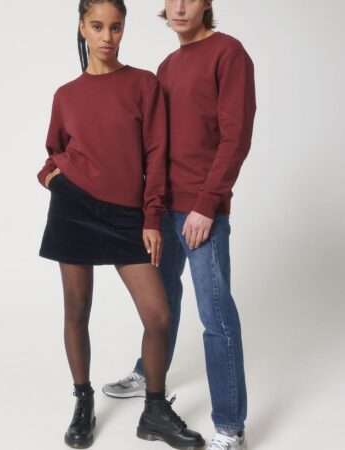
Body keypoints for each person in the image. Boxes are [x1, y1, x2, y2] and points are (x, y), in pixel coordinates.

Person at [38, 1, 205, 448]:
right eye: (97, 26)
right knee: (77, 310)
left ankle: (154, 411)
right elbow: (54, 151)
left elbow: (156, 155)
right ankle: (83, 400)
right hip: (73, 210)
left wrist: (151, 216)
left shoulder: (143, 84)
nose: (107, 36)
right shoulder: (66, 94)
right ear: (82, 28)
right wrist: (52, 177)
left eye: (115, 27)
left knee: (159, 315)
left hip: (127, 216)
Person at [103, 1, 256, 449]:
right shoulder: (167, 66)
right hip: (163, 210)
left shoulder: (228, 53)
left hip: (201, 211)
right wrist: (148, 208)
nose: (181, 6)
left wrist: (207, 205)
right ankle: (148, 372)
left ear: (207, 3)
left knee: (216, 317)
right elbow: (156, 143)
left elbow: (236, 136)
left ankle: (230, 426)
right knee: (161, 302)